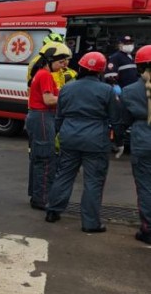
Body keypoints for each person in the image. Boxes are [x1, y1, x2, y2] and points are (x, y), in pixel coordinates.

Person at [45, 52, 121, 233]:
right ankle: (90, 223)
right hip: (95, 140)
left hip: (69, 136)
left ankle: (52, 211)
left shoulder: (67, 88)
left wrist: (60, 134)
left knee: (64, 174)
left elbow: (59, 117)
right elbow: (115, 119)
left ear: (80, 67)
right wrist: (118, 141)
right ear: (100, 71)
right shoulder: (107, 90)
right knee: (93, 181)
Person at [27, 42, 72, 210]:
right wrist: (68, 97)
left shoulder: (41, 73)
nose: (63, 66)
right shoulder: (45, 75)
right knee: (45, 158)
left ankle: (36, 196)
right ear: (50, 60)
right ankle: (42, 199)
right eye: (61, 62)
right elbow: (48, 100)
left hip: (38, 117)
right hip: (42, 117)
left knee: (38, 158)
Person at [115, 44, 151, 245]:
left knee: (145, 187)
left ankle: (148, 229)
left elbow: (122, 121)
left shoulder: (129, 91)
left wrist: (118, 141)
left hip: (143, 141)